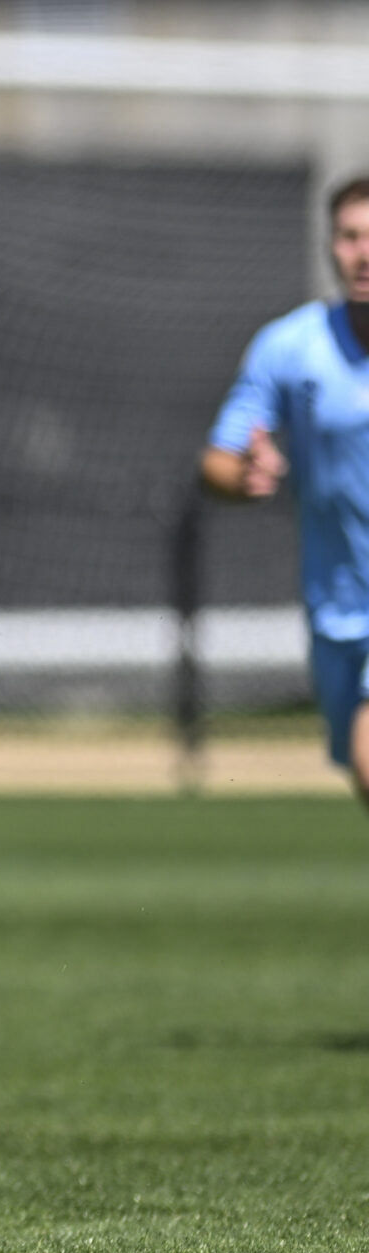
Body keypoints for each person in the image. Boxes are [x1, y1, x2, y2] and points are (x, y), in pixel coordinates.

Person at [203, 175, 369, 804]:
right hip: (339, 606)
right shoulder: (290, 348)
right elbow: (218, 460)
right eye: (351, 236)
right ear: (330, 245)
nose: (364, 253)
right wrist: (243, 474)